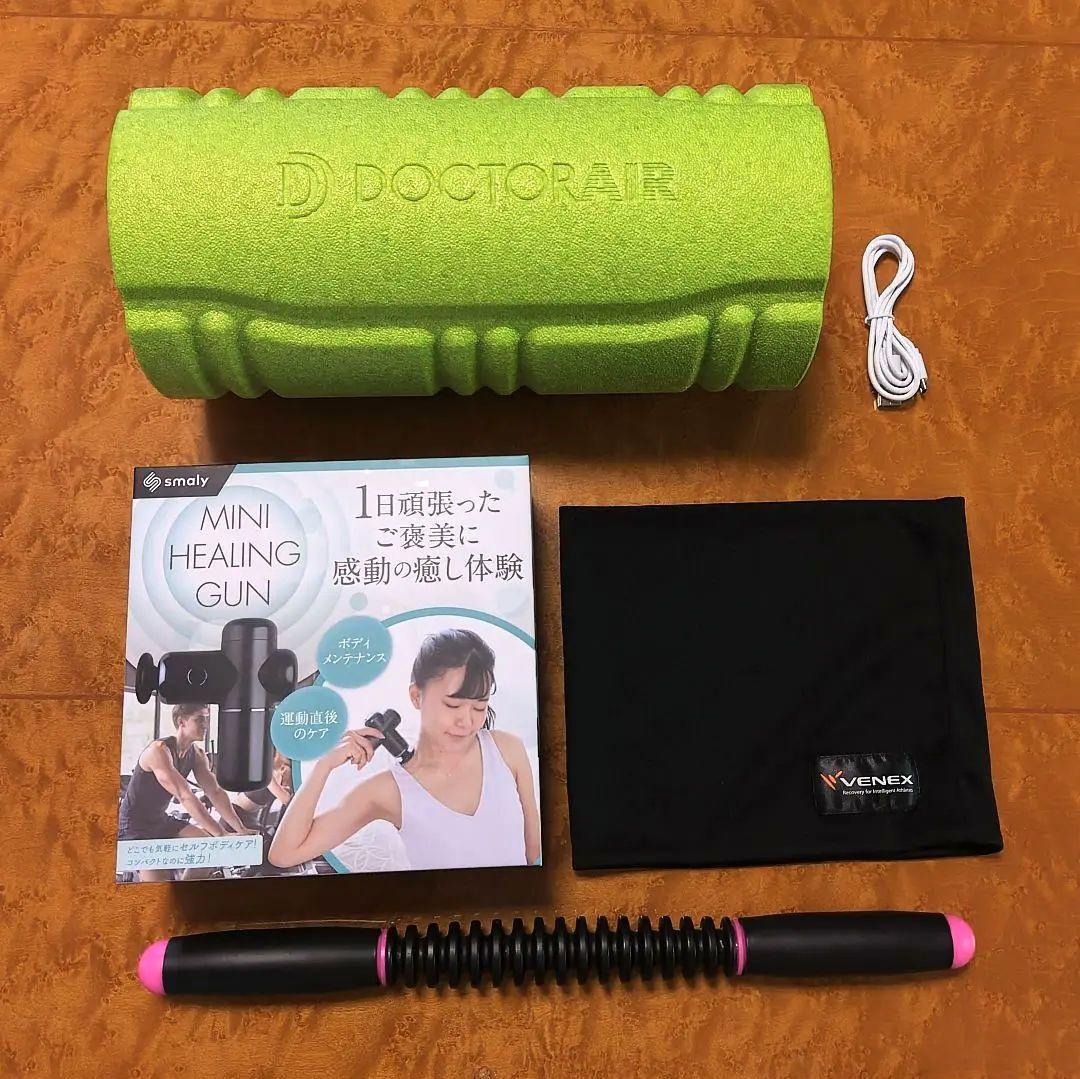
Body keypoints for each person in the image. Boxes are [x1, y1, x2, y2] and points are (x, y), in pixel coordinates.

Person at [269, 629, 541, 871]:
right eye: (453, 705)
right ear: (416, 696)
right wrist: (324, 766)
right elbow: (284, 854)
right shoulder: (387, 790)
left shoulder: (507, 750)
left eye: (479, 707)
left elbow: (534, 852)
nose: (467, 721)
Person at [118, 703, 257, 881]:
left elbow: (215, 791)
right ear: (181, 722)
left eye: (206, 719)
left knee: (209, 850)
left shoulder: (197, 754)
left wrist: (241, 829)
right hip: (134, 826)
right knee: (159, 885)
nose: (205, 725)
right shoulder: (158, 751)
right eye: (199, 720)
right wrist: (221, 835)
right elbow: (184, 796)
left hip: (160, 820)